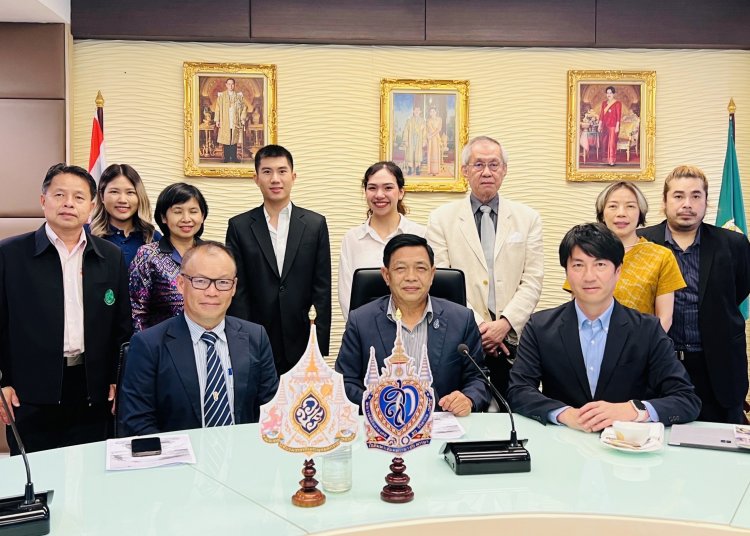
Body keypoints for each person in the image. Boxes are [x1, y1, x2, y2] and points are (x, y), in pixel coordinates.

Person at [508, 223, 701, 431]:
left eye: (600, 265)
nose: (589, 276)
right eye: (578, 265)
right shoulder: (540, 327)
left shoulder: (647, 329)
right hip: (564, 443)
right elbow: (518, 391)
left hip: (629, 450)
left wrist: (634, 410)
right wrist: (565, 414)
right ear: (566, 272)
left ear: (618, 271)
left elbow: (686, 400)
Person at [0, 163, 132, 454]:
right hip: (30, 390)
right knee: (37, 478)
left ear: (92, 205)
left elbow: (122, 326)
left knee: (92, 474)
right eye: (59, 195)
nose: (69, 203)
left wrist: (116, 379)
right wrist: (3, 382)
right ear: (43, 200)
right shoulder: (10, 254)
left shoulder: (109, 256)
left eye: (79, 197)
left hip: (92, 388)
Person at [118, 242, 279, 436]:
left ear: (234, 287)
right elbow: (137, 423)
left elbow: (271, 411)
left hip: (240, 458)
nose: (212, 292)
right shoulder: (148, 345)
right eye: (200, 281)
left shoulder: (256, 337)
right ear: (181, 284)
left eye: (223, 282)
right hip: (176, 461)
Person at [426, 135, 543, 398]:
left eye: (494, 164)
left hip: (513, 340)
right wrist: (479, 327)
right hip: (461, 338)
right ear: (465, 171)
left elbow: (533, 279)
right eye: (478, 165)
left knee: (515, 413)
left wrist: (504, 324)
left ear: (504, 170)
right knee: (462, 411)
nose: (487, 172)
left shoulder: (528, 218)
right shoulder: (441, 219)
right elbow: (441, 281)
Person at [639, 165, 750, 424]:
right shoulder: (642, 243)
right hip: (660, 362)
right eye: (678, 196)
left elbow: (740, 289)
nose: (687, 204)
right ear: (664, 201)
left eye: (696, 196)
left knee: (724, 450)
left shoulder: (733, 244)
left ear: (706, 201)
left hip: (718, 364)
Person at [336, 234, 491, 416]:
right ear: (386, 275)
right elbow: (345, 383)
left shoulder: (461, 319)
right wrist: (382, 405)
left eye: (420, 268)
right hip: (382, 429)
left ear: (432, 274)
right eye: (401, 269)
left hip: (442, 427)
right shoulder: (360, 321)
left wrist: (468, 399)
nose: (411, 277)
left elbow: (478, 378)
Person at [226, 144, 331, 375]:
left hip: (302, 338)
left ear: (293, 176)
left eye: (282, 171)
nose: (275, 179)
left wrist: (319, 346)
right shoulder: (239, 226)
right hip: (255, 339)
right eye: (267, 172)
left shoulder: (315, 224)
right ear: (255, 178)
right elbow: (238, 290)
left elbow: (322, 289)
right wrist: (240, 342)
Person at [563, 181, 685, 332]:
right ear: (602, 213)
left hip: (641, 347)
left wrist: (644, 348)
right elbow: (577, 311)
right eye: (613, 206)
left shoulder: (662, 256)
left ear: (640, 212)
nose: (621, 213)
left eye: (630, 206)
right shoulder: (585, 253)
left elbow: (665, 317)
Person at [338, 161, 425, 320]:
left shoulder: (420, 235)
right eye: (372, 188)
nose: (379, 195)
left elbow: (427, 288)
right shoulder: (352, 239)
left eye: (388, 188)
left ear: (401, 192)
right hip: (364, 332)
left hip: (414, 329)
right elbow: (347, 297)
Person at [129, 183, 208, 332]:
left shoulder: (212, 254)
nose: (186, 218)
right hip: (161, 345)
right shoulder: (147, 255)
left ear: (202, 216)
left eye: (193, 211)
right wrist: (145, 348)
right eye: (177, 212)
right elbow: (137, 312)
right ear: (164, 217)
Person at [88, 163, 161, 267]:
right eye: (114, 192)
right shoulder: (85, 235)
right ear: (102, 196)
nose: (122, 200)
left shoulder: (153, 238)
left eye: (130, 192)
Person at [214, 78, 247, 163]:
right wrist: (217, 120)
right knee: (226, 139)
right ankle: (227, 157)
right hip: (225, 120)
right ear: (226, 85)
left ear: (234, 85)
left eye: (232, 84)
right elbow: (217, 108)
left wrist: (242, 118)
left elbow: (244, 107)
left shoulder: (239, 96)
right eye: (229, 84)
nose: (230, 86)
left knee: (234, 139)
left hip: (235, 120)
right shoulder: (221, 96)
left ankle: (234, 157)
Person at [598, 86, 622, 166]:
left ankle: (611, 160)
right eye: (607, 93)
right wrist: (599, 125)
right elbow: (601, 114)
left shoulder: (617, 103)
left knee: (611, 143)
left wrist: (617, 126)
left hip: (613, 125)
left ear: (613, 94)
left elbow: (618, 116)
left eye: (610, 93)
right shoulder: (604, 103)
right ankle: (605, 159)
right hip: (605, 125)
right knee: (604, 142)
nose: (609, 94)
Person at [401, 106, 426, 175]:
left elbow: (424, 132)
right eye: (415, 110)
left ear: (420, 112)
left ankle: (417, 169)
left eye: (418, 110)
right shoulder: (409, 120)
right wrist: (406, 140)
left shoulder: (422, 121)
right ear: (413, 111)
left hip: (419, 139)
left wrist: (424, 141)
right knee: (410, 154)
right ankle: (410, 169)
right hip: (411, 139)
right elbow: (406, 130)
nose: (417, 111)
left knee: (418, 154)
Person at [426, 107, 443, 176]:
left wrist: (432, 135)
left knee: (436, 153)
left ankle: (436, 171)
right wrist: (429, 136)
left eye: (433, 111)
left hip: (436, 138)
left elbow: (439, 129)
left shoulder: (439, 119)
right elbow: (429, 129)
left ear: (436, 112)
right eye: (431, 112)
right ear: (430, 113)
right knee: (431, 153)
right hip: (431, 139)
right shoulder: (428, 120)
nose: (432, 113)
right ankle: (430, 171)